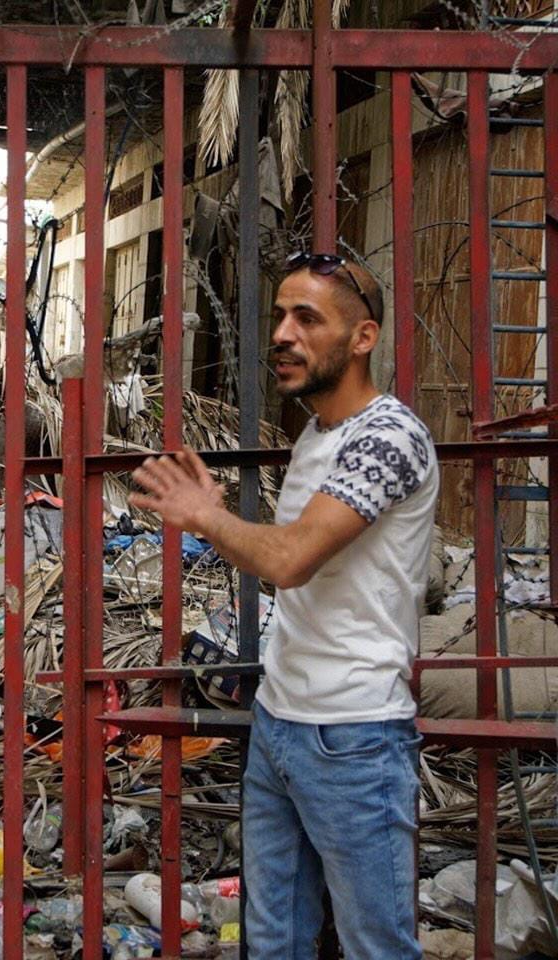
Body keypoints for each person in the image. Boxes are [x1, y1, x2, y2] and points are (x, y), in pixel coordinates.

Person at [129, 252, 438, 959]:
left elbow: (292, 559)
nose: (283, 334)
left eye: (308, 318)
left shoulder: (387, 437)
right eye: (279, 316)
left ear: (363, 338)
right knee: (271, 941)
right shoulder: (318, 434)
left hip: (353, 736)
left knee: (376, 946)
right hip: (281, 725)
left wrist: (205, 516)